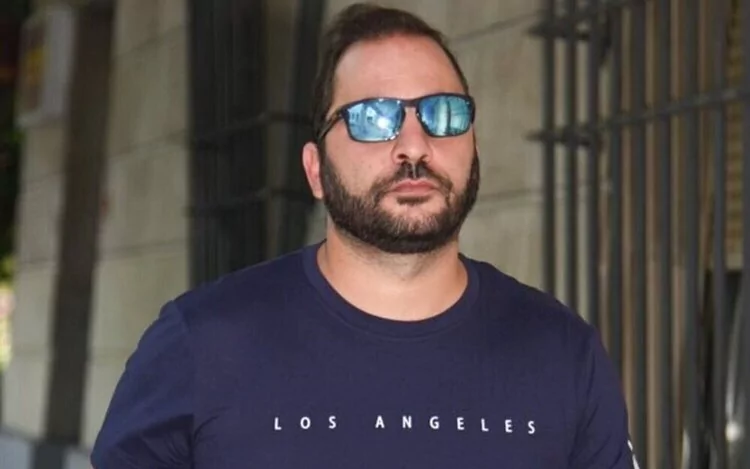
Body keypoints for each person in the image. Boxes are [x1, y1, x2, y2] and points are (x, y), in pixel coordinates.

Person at [91, 3, 640, 468]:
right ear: (315, 170)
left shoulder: (564, 354)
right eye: (372, 119)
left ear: (474, 148)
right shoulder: (201, 346)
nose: (414, 145)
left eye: (443, 113)